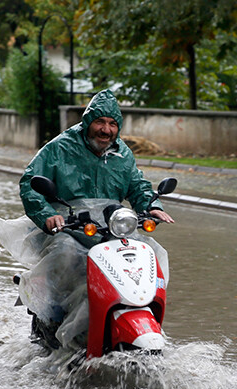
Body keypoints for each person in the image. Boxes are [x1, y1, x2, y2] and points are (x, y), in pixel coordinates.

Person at [14, 89, 173, 349]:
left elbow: (138, 186)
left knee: (151, 251)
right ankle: (55, 317)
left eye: (112, 124)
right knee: (65, 254)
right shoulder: (59, 148)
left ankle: (141, 309)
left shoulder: (122, 154)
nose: (106, 130)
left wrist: (152, 205)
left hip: (112, 226)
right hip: (68, 225)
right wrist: (49, 215)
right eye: (100, 122)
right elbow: (30, 184)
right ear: (89, 122)